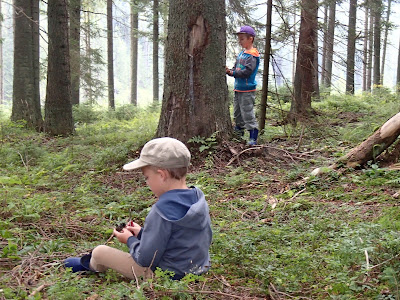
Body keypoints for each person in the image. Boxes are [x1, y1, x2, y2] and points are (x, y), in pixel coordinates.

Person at [64, 137, 212, 281]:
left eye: (147, 177)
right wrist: (142, 233)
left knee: (99, 251)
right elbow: (179, 238)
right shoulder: (198, 197)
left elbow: (145, 259)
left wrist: (129, 240)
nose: (146, 182)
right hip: (196, 268)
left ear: (162, 175)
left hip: (166, 274)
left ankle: (92, 266)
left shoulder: (161, 211)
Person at [226, 25, 260, 146]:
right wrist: (230, 71)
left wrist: (233, 73)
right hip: (238, 89)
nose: (240, 41)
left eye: (242, 39)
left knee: (247, 113)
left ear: (250, 39)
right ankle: (238, 135)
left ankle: (253, 136)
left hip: (247, 90)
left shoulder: (252, 55)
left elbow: (247, 72)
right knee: (237, 113)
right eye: (239, 39)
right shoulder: (242, 54)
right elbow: (236, 68)